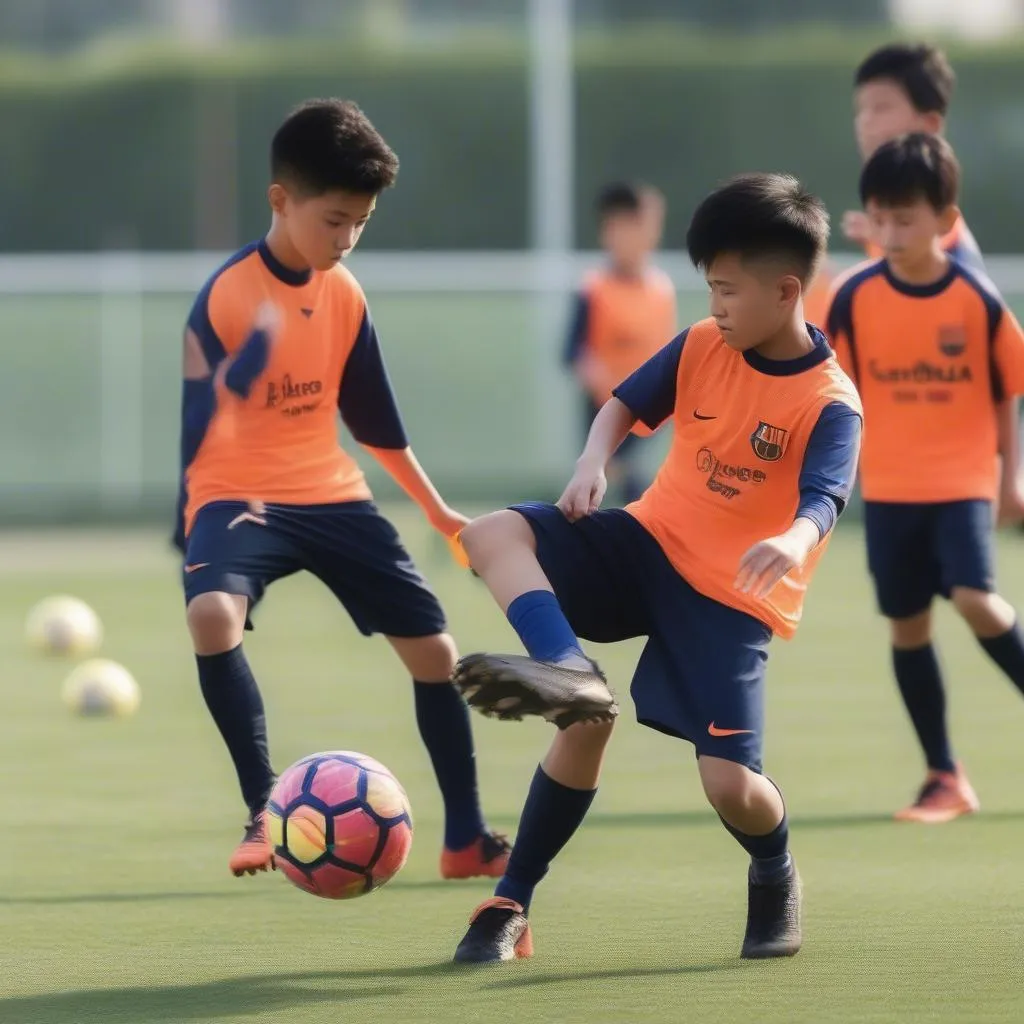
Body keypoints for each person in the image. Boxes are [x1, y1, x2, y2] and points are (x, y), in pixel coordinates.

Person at [447, 173, 862, 963]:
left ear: (785, 291)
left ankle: (773, 867)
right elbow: (622, 405)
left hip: (733, 595)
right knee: (494, 534)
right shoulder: (707, 343)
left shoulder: (831, 400)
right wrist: (591, 462)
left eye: (727, 291)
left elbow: (827, 497)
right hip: (646, 543)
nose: (714, 307)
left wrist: (794, 542)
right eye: (709, 288)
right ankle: (515, 886)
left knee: (730, 787)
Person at [174, 98, 509, 881]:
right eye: (334, 220)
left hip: (330, 492)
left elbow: (376, 426)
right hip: (239, 492)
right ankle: (264, 810)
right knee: (211, 613)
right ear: (280, 200)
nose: (348, 238)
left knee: (436, 652)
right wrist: (192, 521)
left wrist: (439, 512)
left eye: (360, 222)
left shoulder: (347, 295)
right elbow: (200, 429)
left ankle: (466, 839)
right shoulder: (227, 298)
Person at [826, 133, 1024, 823]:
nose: (890, 232)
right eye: (879, 218)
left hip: (964, 479)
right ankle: (944, 775)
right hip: (890, 489)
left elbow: (1006, 391)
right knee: (907, 628)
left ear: (944, 219)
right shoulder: (853, 298)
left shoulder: (975, 299)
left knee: (975, 597)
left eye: (904, 219)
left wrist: (1011, 478)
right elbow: (832, 387)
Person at [836, 42, 1023, 523]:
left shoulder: (953, 260)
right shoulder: (901, 238)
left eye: (881, 108)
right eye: (861, 110)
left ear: (930, 124)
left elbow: (993, 373)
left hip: (952, 470)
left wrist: (1008, 473)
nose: (865, 122)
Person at [564, 182, 677, 504]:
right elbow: (574, 351)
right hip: (605, 408)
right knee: (607, 482)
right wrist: (609, 394)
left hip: (650, 409)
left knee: (634, 482)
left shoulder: (660, 289)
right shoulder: (594, 288)